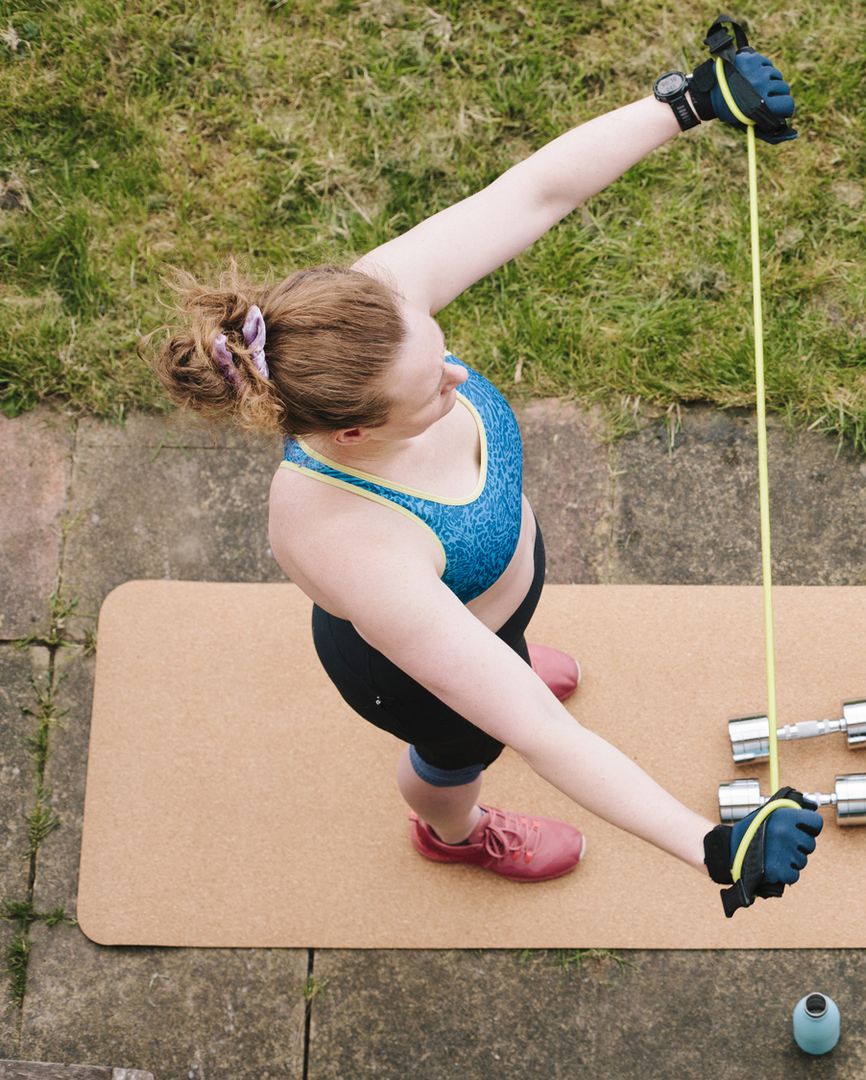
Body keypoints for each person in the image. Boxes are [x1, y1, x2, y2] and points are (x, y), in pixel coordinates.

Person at [146, 37, 819, 914]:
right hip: (419, 670)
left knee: (511, 664)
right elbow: (542, 730)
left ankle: (510, 652)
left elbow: (533, 192)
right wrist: (712, 848)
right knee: (460, 751)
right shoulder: (346, 538)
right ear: (352, 433)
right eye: (431, 389)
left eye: (439, 351)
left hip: (493, 602)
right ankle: (452, 835)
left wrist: (684, 105)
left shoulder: (370, 312)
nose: (458, 379)